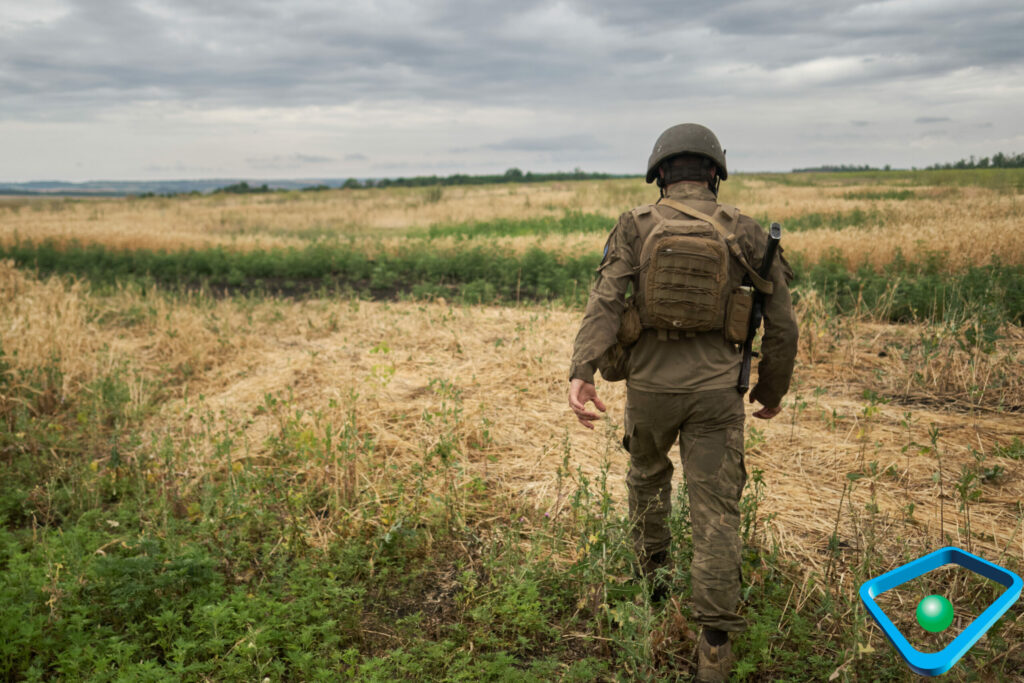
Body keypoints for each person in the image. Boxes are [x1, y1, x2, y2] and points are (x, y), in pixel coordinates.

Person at [567, 123, 798, 682]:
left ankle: (651, 589)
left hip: (648, 390)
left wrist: (582, 372)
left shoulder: (634, 227)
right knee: (716, 510)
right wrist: (769, 390)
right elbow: (784, 325)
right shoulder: (747, 232)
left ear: (660, 173)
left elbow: (604, 301)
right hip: (718, 394)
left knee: (646, 478)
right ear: (715, 174)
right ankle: (714, 644)